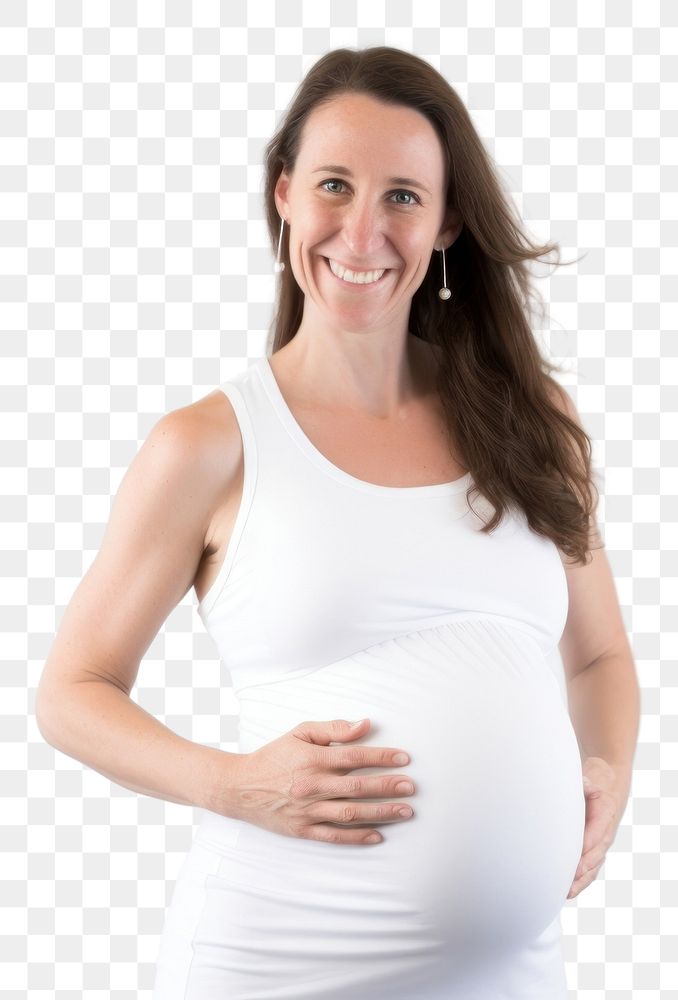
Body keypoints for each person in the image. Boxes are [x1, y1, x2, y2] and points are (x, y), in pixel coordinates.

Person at [36, 46, 640, 999]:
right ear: (283, 196)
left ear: (446, 225)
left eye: (403, 195)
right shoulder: (208, 445)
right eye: (333, 185)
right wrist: (232, 784)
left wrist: (609, 767)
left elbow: (601, 654)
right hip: (276, 963)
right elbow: (72, 692)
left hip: (512, 977)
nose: (363, 231)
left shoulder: (536, 419)